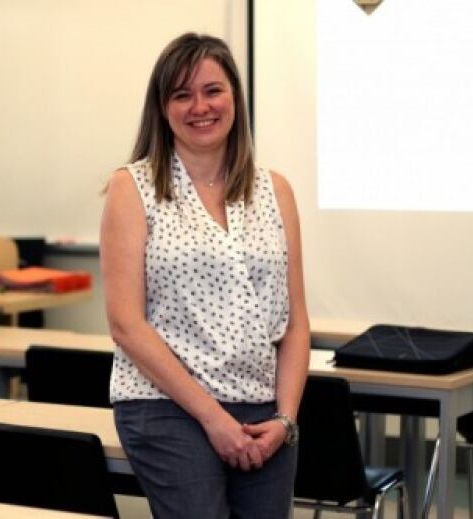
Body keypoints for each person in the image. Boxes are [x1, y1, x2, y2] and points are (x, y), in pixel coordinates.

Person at [100, 32, 310, 518]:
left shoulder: (275, 190)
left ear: (235, 95)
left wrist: (285, 419)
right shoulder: (131, 188)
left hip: (263, 408)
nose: (200, 106)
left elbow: (296, 321)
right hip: (166, 404)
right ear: (163, 107)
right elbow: (126, 325)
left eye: (212, 90)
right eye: (181, 94)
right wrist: (214, 418)